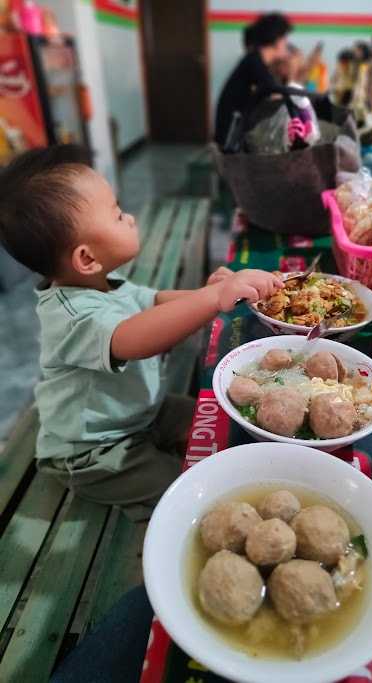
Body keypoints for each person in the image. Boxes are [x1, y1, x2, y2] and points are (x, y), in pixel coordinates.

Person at [0, 145, 282, 522]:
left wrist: (209, 295)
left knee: (222, 417)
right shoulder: (72, 316)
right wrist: (212, 298)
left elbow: (156, 302)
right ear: (86, 258)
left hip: (143, 412)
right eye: (117, 215)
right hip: (94, 450)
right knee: (186, 493)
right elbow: (134, 339)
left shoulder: (105, 283)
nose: (130, 218)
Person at [214, 13, 292, 146]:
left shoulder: (255, 60)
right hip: (230, 138)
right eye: (285, 38)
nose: (287, 43)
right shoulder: (254, 62)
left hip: (234, 130)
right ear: (276, 40)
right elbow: (275, 94)